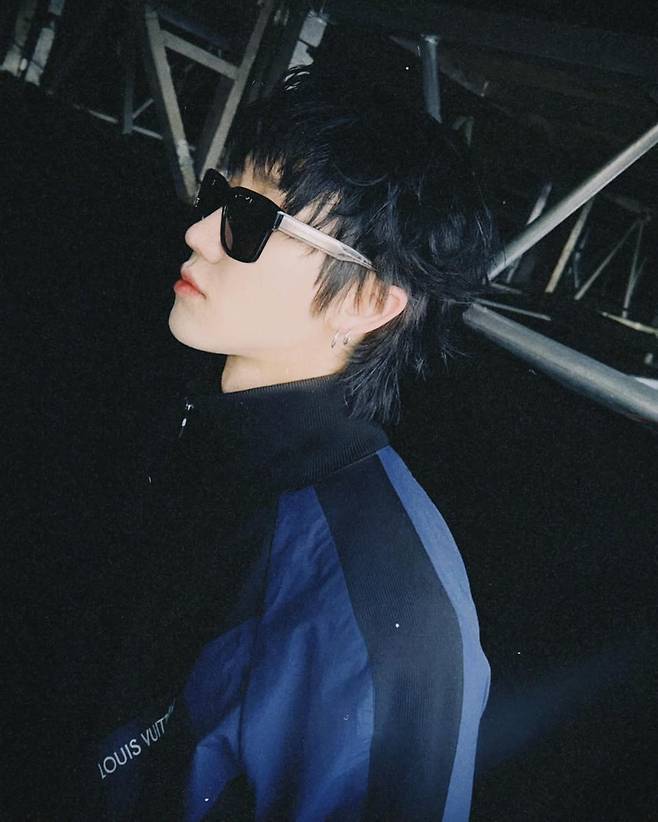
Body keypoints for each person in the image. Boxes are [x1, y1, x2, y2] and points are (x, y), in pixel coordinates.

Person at [91, 65, 496, 821]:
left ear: (368, 301)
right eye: (218, 196)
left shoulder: (384, 603)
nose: (198, 232)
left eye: (250, 218)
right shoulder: (192, 429)